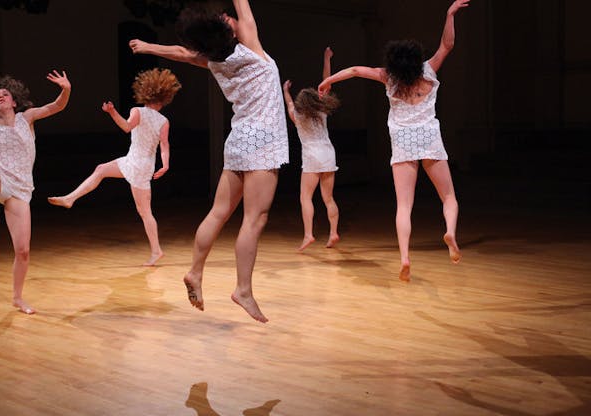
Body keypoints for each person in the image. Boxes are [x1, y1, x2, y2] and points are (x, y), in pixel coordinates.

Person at [129, 0, 289, 322]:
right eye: (225, 19)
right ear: (226, 31)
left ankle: (195, 271)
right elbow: (243, 7)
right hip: (263, 143)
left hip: (238, 142)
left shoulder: (216, 62)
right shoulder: (252, 53)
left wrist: (148, 47)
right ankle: (242, 289)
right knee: (254, 219)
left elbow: (183, 53)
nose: (231, 18)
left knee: (218, 213)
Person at [319, 0, 468, 282]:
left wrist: (329, 82)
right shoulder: (429, 71)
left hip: (402, 142)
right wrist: (449, 14)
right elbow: (447, 45)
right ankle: (449, 230)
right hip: (428, 138)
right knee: (448, 197)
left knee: (403, 206)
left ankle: (404, 257)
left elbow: (354, 70)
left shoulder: (388, 78)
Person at [48, 68, 180, 267]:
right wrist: (166, 165)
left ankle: (156, 251)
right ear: (163, 99)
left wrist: (111, 112)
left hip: (135, 163)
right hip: (141, 163)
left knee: (144, 211)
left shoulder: (138, 111)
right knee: (102, 170)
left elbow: (127, 127)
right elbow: (165, 145)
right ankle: (70, 198)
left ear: (146, 93)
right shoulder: (164, 120)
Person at [0, 71, 71, 314]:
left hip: (20, 193)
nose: (1, 97)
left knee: (23, 251)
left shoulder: (27, 118)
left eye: (5, 94)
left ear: (14, 102)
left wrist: (65, 89)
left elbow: (57, 106)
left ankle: (17, 298)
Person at [283, 47, 341, 251]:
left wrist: (285, 91)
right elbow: (327, 81)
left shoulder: (297, 117)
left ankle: (308, 234)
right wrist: (326, 58)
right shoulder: (321, 111)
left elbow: (289, 104)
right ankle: (333, 232)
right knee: (328, 198)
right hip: (328, 154)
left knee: (305, 197)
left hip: (311, 157)